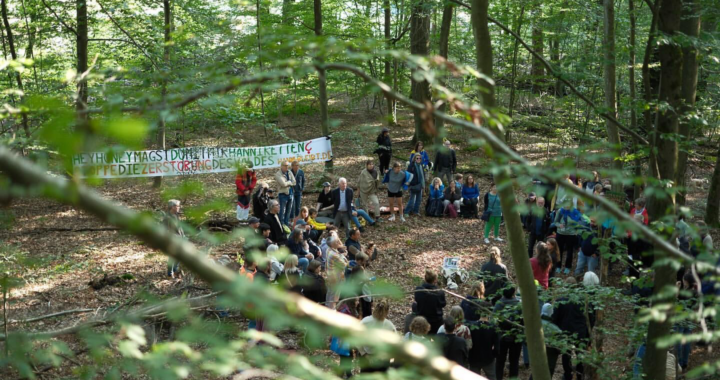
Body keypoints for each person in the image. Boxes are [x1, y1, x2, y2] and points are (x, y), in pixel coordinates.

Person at [553, 277, 595, 380]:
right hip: (580, 332)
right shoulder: (584, 300)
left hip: (565, 332)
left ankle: (567, 374)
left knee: (566, 354)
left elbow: (554, 318)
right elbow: (591, 318)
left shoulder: (560, 301)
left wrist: (558, 331)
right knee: (580, 354)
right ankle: (579, 374)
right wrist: (587, 331)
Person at [494, 285, 523, 380]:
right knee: (514, 362)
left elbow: (493, 321)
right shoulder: (519, 304)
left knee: (500, 362)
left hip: (501, 336)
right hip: (516, 337)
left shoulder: (499, 304)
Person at [359, 300, 396, 373]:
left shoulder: (365, 322)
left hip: (367, 357)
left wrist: (364, 353)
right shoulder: (390, 326)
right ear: (387, 311)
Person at [468, 305, 499, 380]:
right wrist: (493, 355)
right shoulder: (493, 328)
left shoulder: (471, 326)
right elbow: (497, 347)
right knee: (492, 377)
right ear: (489, 313)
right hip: (488, 358)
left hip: (474, 358)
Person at [554, 202, 583, 275]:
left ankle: (568, 266)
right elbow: (555, 222)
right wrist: (559, 225)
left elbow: (580, 221)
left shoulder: (575, 212)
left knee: (570, 251)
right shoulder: (560, 211)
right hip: (560, 233)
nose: (566, 206)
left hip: (571, 234)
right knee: (559, 250)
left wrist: (576, 230)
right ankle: (558, 266)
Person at [414, 269, 446, 334]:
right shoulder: (440, 292)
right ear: (435, 280)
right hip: (436, 321)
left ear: (425, 279)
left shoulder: (418, 290)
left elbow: (416, 300)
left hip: (422, 320)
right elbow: (443, 304)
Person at [334, 297, 358, 378]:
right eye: (357, 300)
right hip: (345, 340)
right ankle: (348, 375)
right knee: (347, 357)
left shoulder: (343, 308)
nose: (358, 302)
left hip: (340, 338)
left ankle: (342, 374)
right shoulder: (347, 312)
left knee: (344, 358)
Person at [326, 235, 349, 309]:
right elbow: (345, 264)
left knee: (330, 292)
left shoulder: (329, 249)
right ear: (332, 244)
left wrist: (342, 254)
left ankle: (327, 305)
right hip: (336, 277)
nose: (338, 242)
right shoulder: (334, 254)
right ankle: (332, 308)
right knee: (335, 293)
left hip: (330, 274)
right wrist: (344, 256)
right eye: (336, 242)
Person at [164, 199, 185, 278]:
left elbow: (179, 227)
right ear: (172, 207)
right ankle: (170, 273)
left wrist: (183, 236)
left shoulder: (176, 215)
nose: (179, 207)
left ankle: (175, 270)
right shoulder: (167, 218)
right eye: (177, 206)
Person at [275, 161, 297, 227]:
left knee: (288, 211)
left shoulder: (289, 172)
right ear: (281, 166)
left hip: (290, 194)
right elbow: (283, 184)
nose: (286, 167)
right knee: (282, 211)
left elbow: (294, 182)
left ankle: (286, 224)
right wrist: (290, 182)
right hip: (283, 194)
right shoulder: (278, 174)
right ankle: (281, 225)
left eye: (287, 165)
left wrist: (288, 182)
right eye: (285, 165)